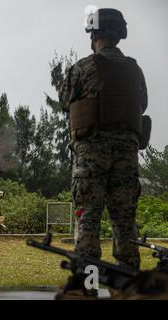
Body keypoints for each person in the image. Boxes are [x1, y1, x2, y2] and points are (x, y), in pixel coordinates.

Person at [59, 8, 148, 296]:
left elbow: (64, 99)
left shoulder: (84, 67)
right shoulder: (135, 70)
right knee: (125, 225)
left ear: (95, 34)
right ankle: (128, 290)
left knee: (88, 223)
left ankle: (88, 288)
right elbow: (142, 104)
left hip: (91, 159)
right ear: (119, 34)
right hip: (127, 159)